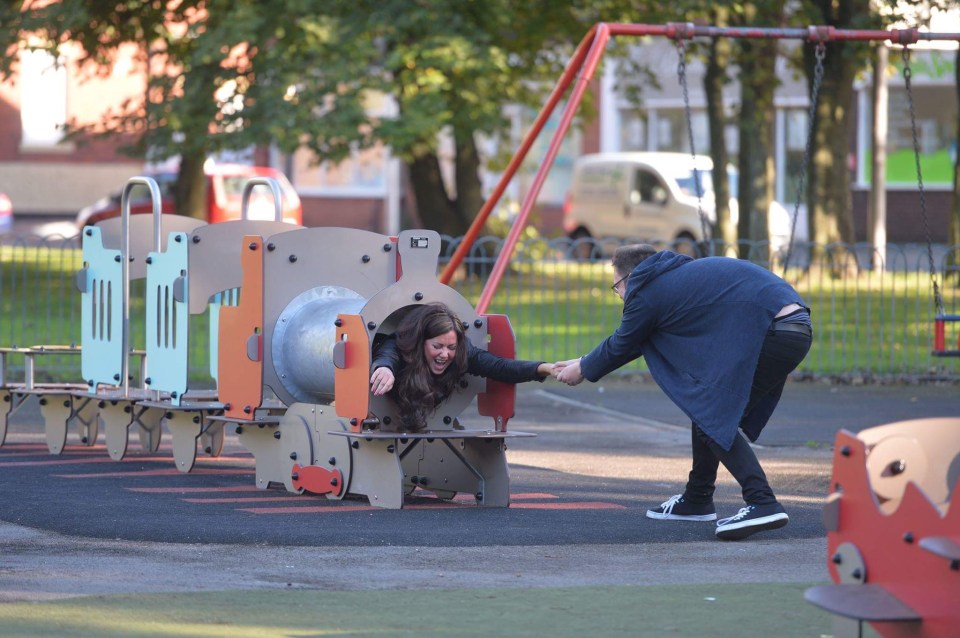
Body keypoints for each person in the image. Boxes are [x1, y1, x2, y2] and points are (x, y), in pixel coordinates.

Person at [555, 244, 812, 541]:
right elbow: (637, 337)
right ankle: (697, 498)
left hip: (773, 330)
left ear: (628, 278)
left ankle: (762, 502)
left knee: (713, 414)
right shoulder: (673, 279)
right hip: (795, 327)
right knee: (707, 409)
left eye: (617, 287)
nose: (621, 296)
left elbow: (624, 342)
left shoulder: (647, 289)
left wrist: (583, 370)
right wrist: (583, 362)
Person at [370, 303, 555, 432]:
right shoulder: (398, 345)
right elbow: (387, 355)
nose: (445, 354)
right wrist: (385, 369)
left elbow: (500, 367)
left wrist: (545, 368)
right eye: (437, 347)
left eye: (451, 347)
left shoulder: (462, 352)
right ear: (421, 343)